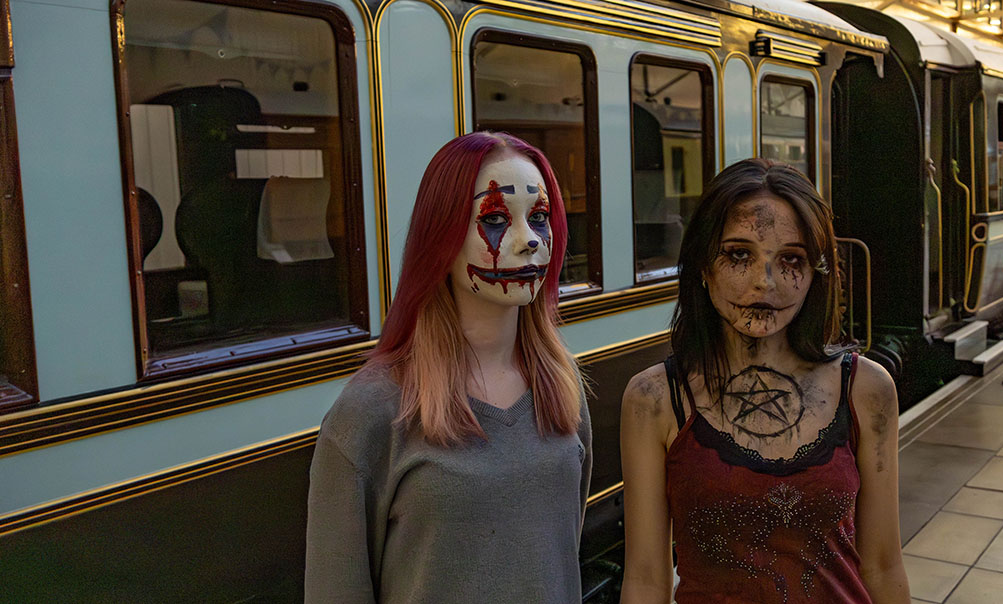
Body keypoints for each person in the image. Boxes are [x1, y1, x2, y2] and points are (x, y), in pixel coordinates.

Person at [305, 132, 591, 603]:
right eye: (496, 219)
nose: (530, 241)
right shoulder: (372, 410)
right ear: (442, 236)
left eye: (539, 218)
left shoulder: (561, 386)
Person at [619, 158, 909, 603]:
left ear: (816, 273)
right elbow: (645, 578)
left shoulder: (867, 390)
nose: (764, 282)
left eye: (790, 259)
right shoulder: (654, 400)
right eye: (739, 255)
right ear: (703, 265)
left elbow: (884, 565)